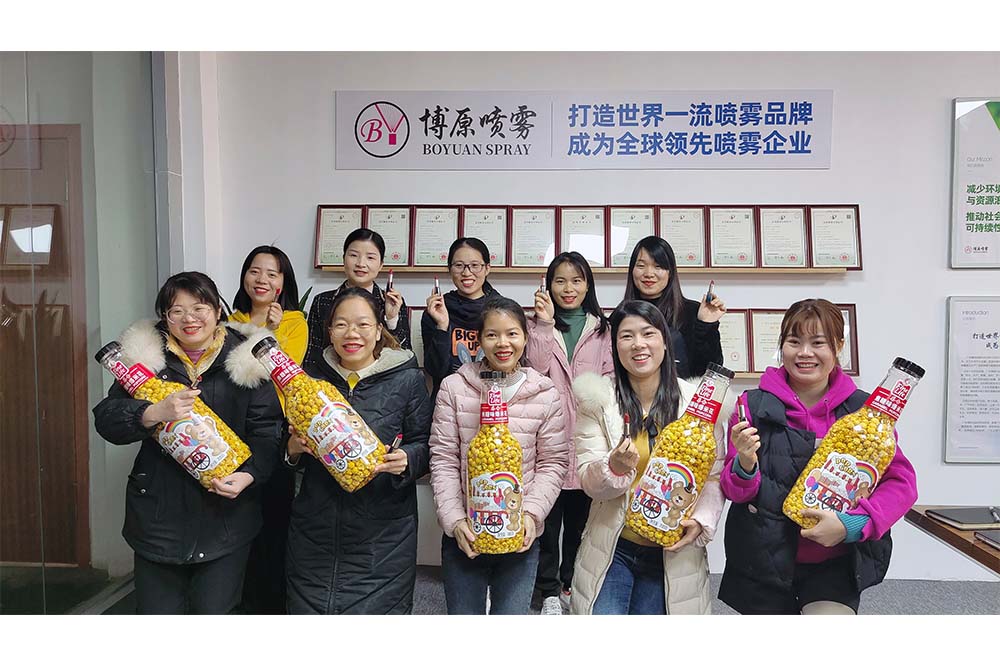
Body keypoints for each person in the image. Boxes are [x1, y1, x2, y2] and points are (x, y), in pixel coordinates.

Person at [93, 271, 282, 614]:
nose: (189, 319)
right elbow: (107, 419)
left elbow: (268, 432)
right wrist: (151, 412)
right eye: (176, 311)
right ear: (165, 317)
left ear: (217, 310)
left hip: (226, 520)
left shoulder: (247, 360)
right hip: (158, 519)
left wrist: (249, 474)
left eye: (199, 308)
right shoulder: (145, 361)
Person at [718, 298, 918, 615]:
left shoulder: (865, 412)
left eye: (818, 343)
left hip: (835, 563)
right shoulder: (751, 405)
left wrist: (852, 524)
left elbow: (901, 483)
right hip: (762, 559)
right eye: (794, 341)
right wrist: (745, 462)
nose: (805, 353)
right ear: (781, 346)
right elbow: (735, 491)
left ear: (838, 346)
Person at [569, 300, 730, 615]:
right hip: (613, 546)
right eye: (626, 336)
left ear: (665, 342)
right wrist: (613, 468)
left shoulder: (699, 404)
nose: (638, 344)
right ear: (615, 347)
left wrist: (701, 521)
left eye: (648, 333)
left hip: (672, 550)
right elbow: (589, 480)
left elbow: (714, 475)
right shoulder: (599, 401)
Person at [284, 287, 431, 614]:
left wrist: (408, 459)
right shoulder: (310, 382)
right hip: (315, 530)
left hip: (383, 537)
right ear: (329, 331)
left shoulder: (407, 380)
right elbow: (285, 447)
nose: (352, 334)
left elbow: (426, 443)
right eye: (341, 325)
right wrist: (292, 450)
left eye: (363, 324)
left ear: (379, 330)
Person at [428, 294, 568, 614]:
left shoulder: (544, 393)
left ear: (525, 337)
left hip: (519, 536)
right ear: (479, 339)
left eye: (512, 333)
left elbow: (553, 463)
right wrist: (454, 520)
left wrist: (531, 514)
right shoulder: (454, 388)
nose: (503, 343)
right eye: (492, 334)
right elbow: (443, 459)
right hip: (466, 534)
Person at [523, 251, 614, 615]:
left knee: (580, 524)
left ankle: (569, 584)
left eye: (576, 280)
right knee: (545, 523)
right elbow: (534, 371)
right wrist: (545, 325)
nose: (568, 288)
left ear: (588, 285)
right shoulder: (534, 325)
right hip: (548, 438)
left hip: (589, 440)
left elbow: (610, 382)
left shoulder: (603, 329)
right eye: (559, 280)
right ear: (548, 286)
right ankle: (546, 590)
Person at [229, 244, 306, 613]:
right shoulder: (228, 320)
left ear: (282, 283)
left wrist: (270, 330)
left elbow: (277, 373)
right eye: (254, 271)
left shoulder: (293, 322)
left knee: (273, 524)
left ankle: (272, 609)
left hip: (273, 432)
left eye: (272, 273)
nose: (261, 279)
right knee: (234, 522)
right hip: (232, 430)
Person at [623, 236, 726, 379]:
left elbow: (711, 370)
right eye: (641, 266)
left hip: (682, 392)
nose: (649, 273)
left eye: (658, 266)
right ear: (632, 270)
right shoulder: (622, 315)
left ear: (670, 272)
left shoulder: (692, 312)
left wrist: (706, 325)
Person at [305, 228, 411, 368]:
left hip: (383, 380)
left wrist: (391, 320)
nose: (361, 263)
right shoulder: (322, 301)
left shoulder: (392, 302)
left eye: (370, 257)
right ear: (344, 259)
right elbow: (312, 356)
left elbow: (405, 356)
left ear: (381, 265)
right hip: (332, 378)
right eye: (354, 255)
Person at [421, 237, 498, 398]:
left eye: (475, 265)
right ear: (449, 269)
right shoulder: (436, 310)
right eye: (459, 265)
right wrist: (442, 326)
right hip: (448, 401)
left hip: (491, 399)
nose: (466, 273)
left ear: (487, 268)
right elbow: (435, 370)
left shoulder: (503, 311)